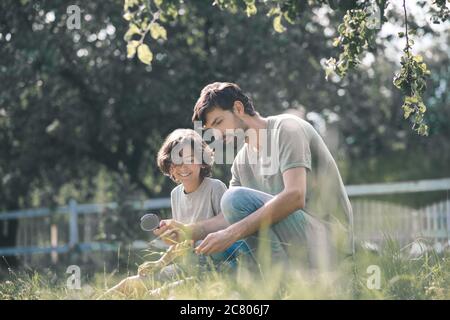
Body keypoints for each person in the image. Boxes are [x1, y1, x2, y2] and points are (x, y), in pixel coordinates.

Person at [155, 82, 354, 272]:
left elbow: (295, 196)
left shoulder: (287, 129)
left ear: (238, 109)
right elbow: (227, 216)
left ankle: (285, 281)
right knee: (214, 246)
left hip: (329, 242)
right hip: (294, 244)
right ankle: (279, 281)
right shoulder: (241, 162)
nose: (217, 135)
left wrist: (231, 233)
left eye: (218, 122)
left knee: (233, 200)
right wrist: (189, 231)